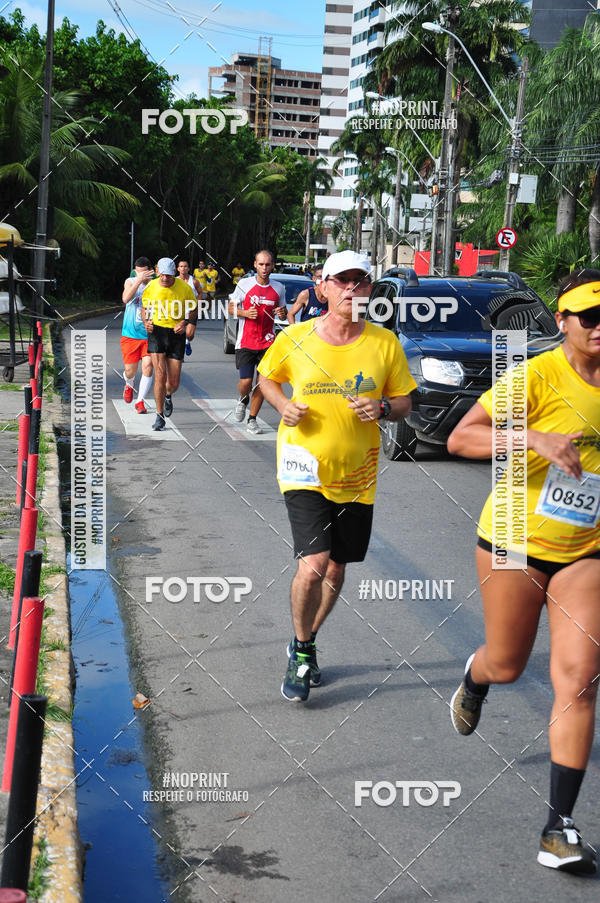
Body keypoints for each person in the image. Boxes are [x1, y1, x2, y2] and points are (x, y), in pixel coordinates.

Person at [447, 268, 600, 874]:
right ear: (562, 321)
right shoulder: (535, 377)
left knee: (580, 679)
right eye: (590, 317)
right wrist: (532, 439)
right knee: (508, 663)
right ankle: (477, 676)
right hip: (514, 537)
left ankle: (558, 829)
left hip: (586, 549)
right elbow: (462, 439)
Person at [258, 249, 417, 701]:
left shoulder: (385, 343)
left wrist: (382, 407)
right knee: (314, 564)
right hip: (302, 468)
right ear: (322, 287)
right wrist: (282, 405)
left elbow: (404, 401)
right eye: (342, 280)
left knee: (336, 567)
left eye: (360, 281)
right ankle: (302, 651)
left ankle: (304, 641)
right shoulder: (296, 337)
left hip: (358, 475)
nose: (351, 288)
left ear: (370, 289)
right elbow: (267, 377)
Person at [227, 249, 286, 435]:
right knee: (246, 381)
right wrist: (244, 313)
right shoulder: (244, 284)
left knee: (262, 383)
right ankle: (243, 399)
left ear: (272, 265)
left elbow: (282, 312)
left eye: (268, 264)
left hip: (268, 342)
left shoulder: (279, 288)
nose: (264, 268)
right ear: (255, 265)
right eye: (261, 264)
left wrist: (282, 313)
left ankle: (252, 419)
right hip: (246, 341)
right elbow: (230, 308)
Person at [141, 257, 197, 431]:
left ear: (174, 273)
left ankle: (168, 395)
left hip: (176, 333)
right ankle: (159, 416)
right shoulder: (151, 286)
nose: (165, 278)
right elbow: (144, 308)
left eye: (169, 275)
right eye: (162, 275)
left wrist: (185, 322)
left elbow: (194, 309)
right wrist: (146, 322)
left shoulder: (185, 288)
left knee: (173, 382)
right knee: (159, 374)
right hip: (157, 332)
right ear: (158, 272)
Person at [120, 256, 155, 413]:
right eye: (138, 272)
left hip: (149, 335)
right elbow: (125, 298)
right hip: (130, 335)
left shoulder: (156, 285)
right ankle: (129, 383)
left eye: (144, 272)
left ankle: (140, 401)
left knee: (148, 366)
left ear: (150, 271)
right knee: (130, 371)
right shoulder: (130, 281)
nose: (141, 275)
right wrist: (138, 280)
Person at [177, 259, 202, 357]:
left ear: (188, 268)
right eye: (181, 266)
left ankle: (187, 342)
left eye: (185, 266)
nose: (183, 268)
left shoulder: (194, 281)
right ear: (178, 269)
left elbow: (200, 293)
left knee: (189, 335)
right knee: (178, 331)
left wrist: (196, 303)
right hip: (178, 310)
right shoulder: (174, 281)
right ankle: (180, 352)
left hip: (192, 310)